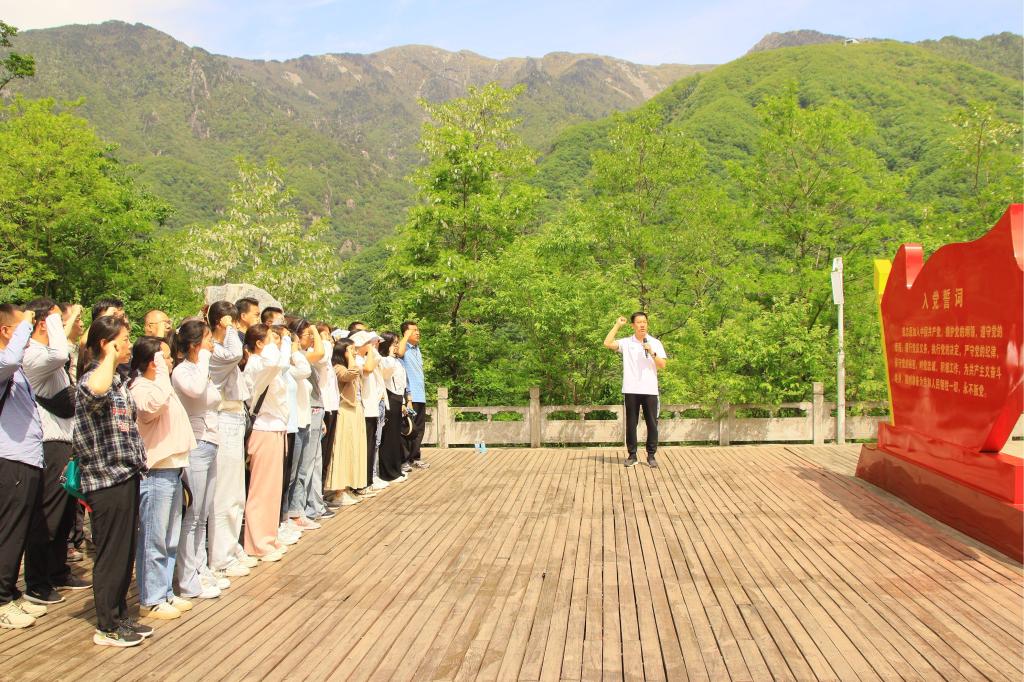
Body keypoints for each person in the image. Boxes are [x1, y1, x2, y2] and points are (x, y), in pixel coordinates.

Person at [74, 315, 152, 647]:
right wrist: (107, 356)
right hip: (104, 478)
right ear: (106, 344)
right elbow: (95, 393)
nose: (130, 345)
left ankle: (119, 615)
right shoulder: (93, 378)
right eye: (124, 339)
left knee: (124, 551)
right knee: (111, 553)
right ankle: (107, 625)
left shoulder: (118, 380)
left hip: (126, 473)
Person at [21, 299, 90, 608]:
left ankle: (57, 570)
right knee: (48, 515)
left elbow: (67, 354)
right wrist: (58, 317)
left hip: (65, 440)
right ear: (41, 324)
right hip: (48, 442)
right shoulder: (33, 355)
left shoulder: (50, 356)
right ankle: (37, 582)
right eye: (56, 321)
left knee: (63, 515)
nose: (64, 326)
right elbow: (62, 353)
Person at [128, 337, 195, 621]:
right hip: (155, 471)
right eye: (164, 357)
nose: (170, 361)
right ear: (152, 362)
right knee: (153, 537)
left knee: (169, 538)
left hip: (172, 468)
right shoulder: (142, 387)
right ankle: (151, 598)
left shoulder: (159, 386)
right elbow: (152, 408)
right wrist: (161, 373)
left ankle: (165, 590)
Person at [171, 318, 232, 601]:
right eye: (208, 339)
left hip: (210, 442)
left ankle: (200, 568)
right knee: (192, 515)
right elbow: (195, 392)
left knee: (203, 513)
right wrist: (203, 358)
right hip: (195, 444)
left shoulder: (200, 370)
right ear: (196, 344)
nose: (212, 344)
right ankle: (187, 580)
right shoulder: (183, 371)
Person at [0, 305, 49, 630]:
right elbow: (9, 360)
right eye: (22, 328)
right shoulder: (5, 362)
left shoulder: (16, 369)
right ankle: (1, 601)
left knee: (19, 532)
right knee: (9, 532)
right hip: (11, 459)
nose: (29, 334)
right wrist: (27, 324)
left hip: (28, 458)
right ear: (6, 331)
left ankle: (10, 591)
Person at [207, 301, 257, 578]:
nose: (236, 329)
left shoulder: (223, 348)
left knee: (236, 492)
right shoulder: (213, 350)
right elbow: (235, 352)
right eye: (232, 322)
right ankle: (221, 557)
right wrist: (227, 328)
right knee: (225, 493)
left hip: (235, 417)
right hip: (223, 418)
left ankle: (231, 548)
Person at [242, 324, 291, 562]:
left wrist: (279, 341)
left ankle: (269, 537)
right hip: (263, 429)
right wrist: (277, 343)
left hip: (274, 428)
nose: (277, 341)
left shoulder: (265, 363)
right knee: (262, 490)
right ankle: (258, 543)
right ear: (259, 343)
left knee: (272, 490)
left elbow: (281, 362)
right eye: (272, 338)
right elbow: (275, 362)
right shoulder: (257, 363)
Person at [603, 312, 668, 468]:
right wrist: (617, 325)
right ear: (633, 325)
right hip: (631, 389)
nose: (642, 325)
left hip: (650, 390)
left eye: (644, 322)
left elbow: (662, 365)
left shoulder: (655, 342)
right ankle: (632, 455)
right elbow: (607, 343)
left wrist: (651, 352)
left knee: (652, 424)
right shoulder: (627, 343)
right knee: (631, 424)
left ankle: (651, 455)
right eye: (639, 322)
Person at [286, 318, 328, 527]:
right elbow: (320, 352)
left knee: (307, 465)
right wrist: (314, 328)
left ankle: (299, 509)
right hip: (302, 414)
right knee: (300, 467)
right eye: (307, 335)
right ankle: (295, 511)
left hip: (309, 413)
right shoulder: (296, 357)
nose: (311, 338)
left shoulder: (301, 356)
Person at [324, 338, 366, 506]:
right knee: (342, 450)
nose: (355, 352)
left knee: (353, 450)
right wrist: (350, 358)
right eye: (351, 349)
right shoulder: (338, 367)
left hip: (354, 411)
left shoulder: (348, 366)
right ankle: (338, 491)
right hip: (344, 411)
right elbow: (350, 375)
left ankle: (347, 487)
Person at [376, 332, 408, 483]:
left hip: (398, 398)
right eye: (394, 343)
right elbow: (386, 374)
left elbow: (402, 383)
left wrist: (403, 402)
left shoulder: (396, 361)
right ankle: (388, 472)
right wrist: (389, 354)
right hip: (389, 398)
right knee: (388, 437)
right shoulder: (384, 360)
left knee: (395, 437)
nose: (397, 346)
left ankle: (396, 469)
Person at [396, 321, 428, 470]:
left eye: (418, 330)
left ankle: (415, 457)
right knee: (408, 428)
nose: (417, 332)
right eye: (413, 330)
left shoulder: (416, 348)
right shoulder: (404, 347)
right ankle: (404, 460)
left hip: (420, 395)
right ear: (405, 333)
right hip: (410, 396)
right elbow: (399, 353)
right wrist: (405, 337)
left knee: (419, 429)